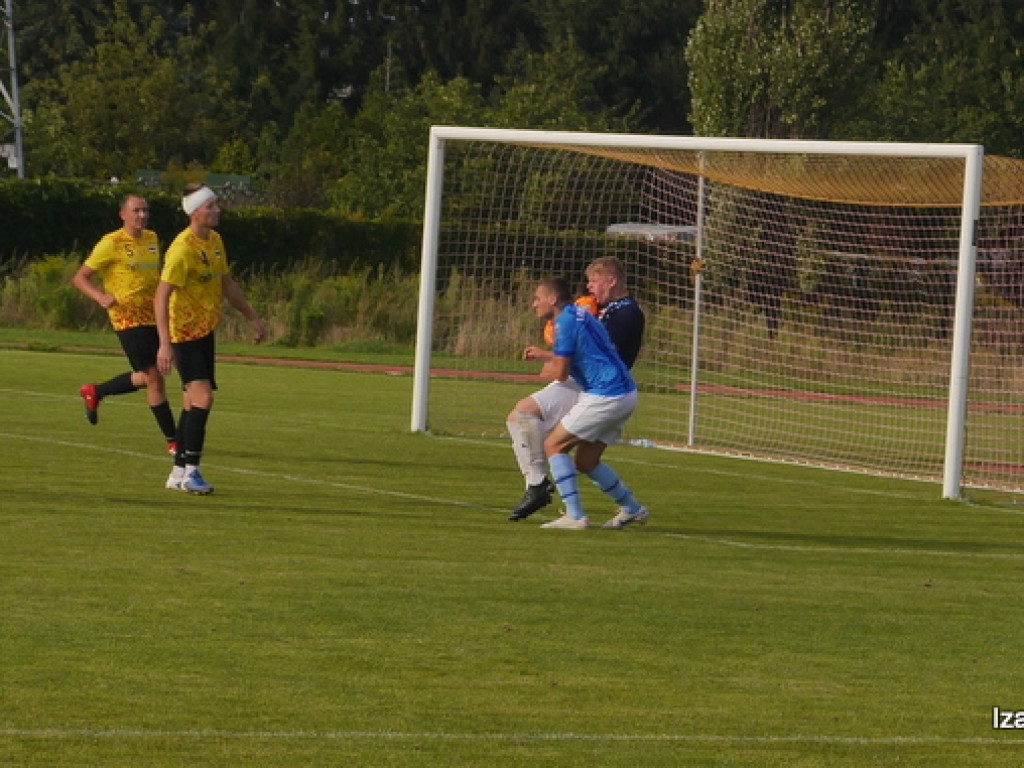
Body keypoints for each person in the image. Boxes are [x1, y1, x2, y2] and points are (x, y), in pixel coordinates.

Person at [506, 256, 645, 521]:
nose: (589, 286)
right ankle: (632, 509)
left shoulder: (621, 313)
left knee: (548, 439)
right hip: (624, 392)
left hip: (602, 391)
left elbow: (584, 359)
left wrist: (555, 362)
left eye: (594, 280)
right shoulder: (587, 312)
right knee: (585, 461)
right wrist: (553, 356)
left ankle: (566, 508)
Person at [155, 184, 267, 495]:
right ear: (195, 212)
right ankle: (192, 470)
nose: (217, 210)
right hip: (184, 333)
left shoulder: (215, 241)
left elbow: (226, 285)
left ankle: (178, 472)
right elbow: (161, 297)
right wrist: (165, 344)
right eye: (211, 206)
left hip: (204, 331)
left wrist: (253, 318)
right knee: (204, 397)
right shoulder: (181, 251)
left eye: (217, 205)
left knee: (192, 402)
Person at [71, 193, 177, 453]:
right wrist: (100, 296)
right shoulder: (111, 243)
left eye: (145, 210)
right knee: (154, 377)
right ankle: (173, 440)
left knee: (148, 375)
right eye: (136, 211)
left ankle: (95, 391)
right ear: (123, 215)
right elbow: (81, 277)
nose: (142, 215)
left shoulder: (152, 239)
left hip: (154, 315)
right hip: (127, 317)